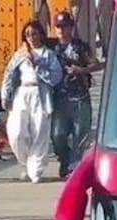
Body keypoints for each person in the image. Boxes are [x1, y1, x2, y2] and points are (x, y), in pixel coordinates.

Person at [1, 20, 64, 183]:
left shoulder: (48, 55)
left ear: (41, 35)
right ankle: (24, 162)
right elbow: (9, 74)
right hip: (22, 92)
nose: (31, 37)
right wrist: (5, 95)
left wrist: (37, 66)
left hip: (40, 93)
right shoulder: (20, 54)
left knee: (40, 131)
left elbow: (56, 77)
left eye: (34, 33)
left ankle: (36, 169)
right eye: (28, 34)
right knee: (17, 132)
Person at [50, 11, 95, 179]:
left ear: (71, 27)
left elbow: (97, 64)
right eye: (58, 27)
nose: (62, 30)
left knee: (80, 135)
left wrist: (82, 70)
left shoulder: (80, 46)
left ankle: (74, 168)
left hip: (80, 96)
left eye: (65, 26)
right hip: (60, 98)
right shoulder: (51, 48)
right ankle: (65, 158)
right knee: (58, 135)